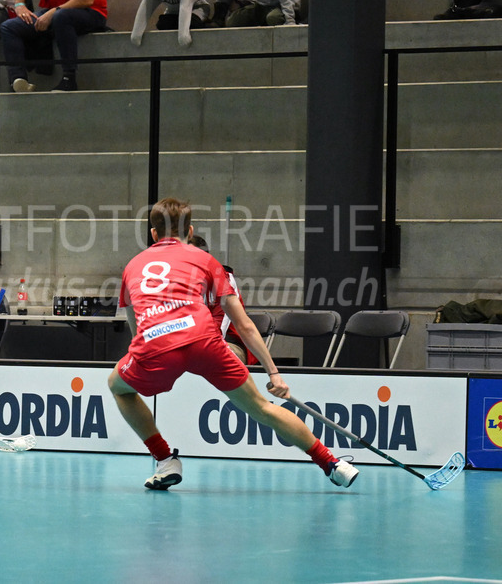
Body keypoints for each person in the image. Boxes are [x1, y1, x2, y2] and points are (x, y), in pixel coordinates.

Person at [107, 198, 359, 490]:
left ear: (152, 234)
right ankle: (332, 463)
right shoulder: (207, 261)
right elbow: (244, 324)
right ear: (190, 231)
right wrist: (273, 373)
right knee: (262, 408)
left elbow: (135, 326)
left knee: (118, 387)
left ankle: (165, 460)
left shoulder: (132, 266)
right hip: (204, 340)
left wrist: (146, 357)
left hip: (156, 346)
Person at [186, 234, 255, 365]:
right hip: (189, 343)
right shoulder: (177, 282)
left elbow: (218, 331)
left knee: (208, 358)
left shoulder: (224, 279)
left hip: (227, 343)